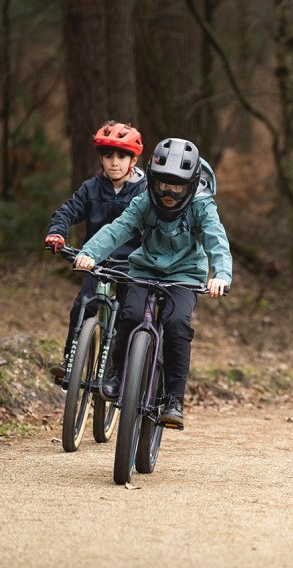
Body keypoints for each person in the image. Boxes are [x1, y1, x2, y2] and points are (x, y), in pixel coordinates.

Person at [72, 138, 232, 429]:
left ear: (192, 184)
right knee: (130, 315)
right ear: (152, 180)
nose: (169, 194)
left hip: (185, 275)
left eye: (177, 187)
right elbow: (118, 229)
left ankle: (173, 399)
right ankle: (118, 373)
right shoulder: (144, 200)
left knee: (176, 325)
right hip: (144, 270)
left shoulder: (202, 206)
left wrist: (221, 274)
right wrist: (90, 253)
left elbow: (216, 240)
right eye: (162, 185)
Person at [44, 121, 147, 381]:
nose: (115, 162)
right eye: (108, 155)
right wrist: (58, 231)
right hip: (96, 261)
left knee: (128, 315)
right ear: (101, 158)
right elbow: (68, 211)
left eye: (122, 156)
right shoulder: (92, 188)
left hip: (131, 265)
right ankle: (70, 360)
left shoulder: (145, 191)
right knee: (82, 305)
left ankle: (117, 372)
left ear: (133, 159)